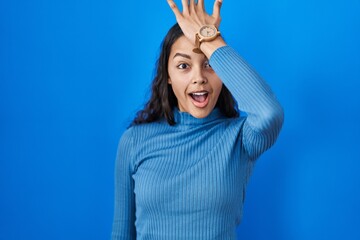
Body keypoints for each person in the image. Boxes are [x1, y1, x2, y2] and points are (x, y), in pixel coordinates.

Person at [111, 0, 284, 239]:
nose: (199, 78)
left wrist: (210, 39)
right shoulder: (134, 141)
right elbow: (121, 232)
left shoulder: (240, 139)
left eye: (210, 65)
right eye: (183, 65)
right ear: (168, 76)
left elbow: (269, 113)